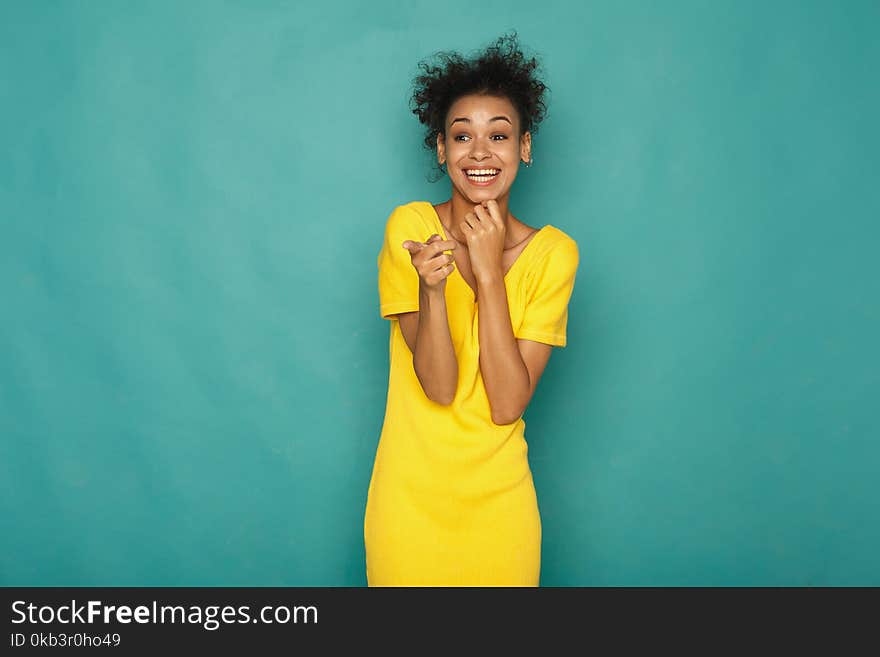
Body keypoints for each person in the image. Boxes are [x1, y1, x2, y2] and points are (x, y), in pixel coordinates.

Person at [363, 31, 580, 586]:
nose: (480, 153)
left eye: (499, 135)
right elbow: (439, 387)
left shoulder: (553, 254)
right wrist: (432, 292)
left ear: (524, 148)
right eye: (462, 136)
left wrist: (487, 272)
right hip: (408, 506)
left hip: (501, 509)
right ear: (442, 150)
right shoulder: (412, 229)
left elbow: (506, 404)